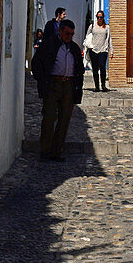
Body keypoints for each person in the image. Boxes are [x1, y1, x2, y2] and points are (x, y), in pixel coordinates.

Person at [31, 17, 84, 161]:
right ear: (60, 32)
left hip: (69, 85)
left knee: (64, 119)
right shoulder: (49, 45)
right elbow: (36, 64)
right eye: (67, 33)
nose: (70, 36)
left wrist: (77, 87)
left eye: (72, 34)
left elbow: (79, 69)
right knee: (49, 117)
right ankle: (45, 151)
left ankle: (56, 151)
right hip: (52, 84)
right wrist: (42, 81)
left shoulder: (74, 48)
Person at [84, 10, 113, 91]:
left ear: (103, 17)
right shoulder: (92, 26)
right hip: (93, 49)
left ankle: (103, 85)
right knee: (95, 68)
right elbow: (87, 36)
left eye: (101, 17)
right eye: (98, 17)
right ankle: (97, 86)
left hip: (103, 49)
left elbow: (109, 39)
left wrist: (112, 50)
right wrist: (88, 46)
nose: (99, 18)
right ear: (96, 17)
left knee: (102, 66)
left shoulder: (107, 27)